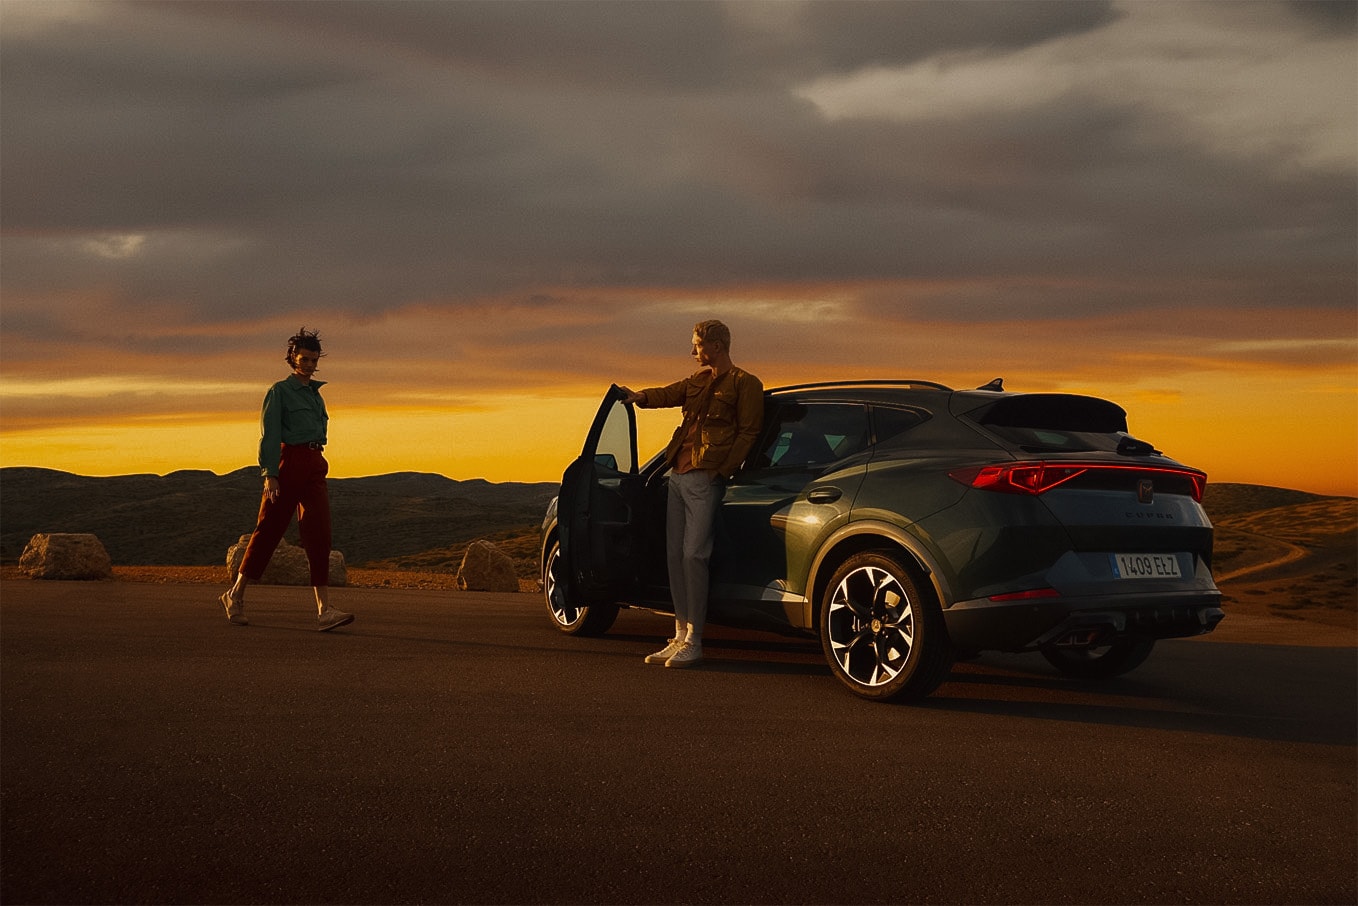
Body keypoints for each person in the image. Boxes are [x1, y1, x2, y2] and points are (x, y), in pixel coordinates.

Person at [620, 319, 763, 668]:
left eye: (697, 344)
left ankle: (695, 640)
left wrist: (721, 470)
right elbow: (669, 393)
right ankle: (679, 634)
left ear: (715, 345)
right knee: (674, 556)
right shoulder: (698, 381)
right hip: (678, 476)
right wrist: (639, 397)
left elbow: (749, 433)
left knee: (694, 556)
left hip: (704, 478)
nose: (693, 351)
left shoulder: (746, 384)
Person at [220, 328, 353, 631]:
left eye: (313, 360)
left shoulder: (315, 394)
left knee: (319, 532)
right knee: (269, 529)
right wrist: (270, 474)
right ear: (293, 358)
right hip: (287, 461)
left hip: (315, 462)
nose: (308, 364)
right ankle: (235, 595)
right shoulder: (279, 391)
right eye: (304, 359)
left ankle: (324, 610)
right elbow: (269, 435)